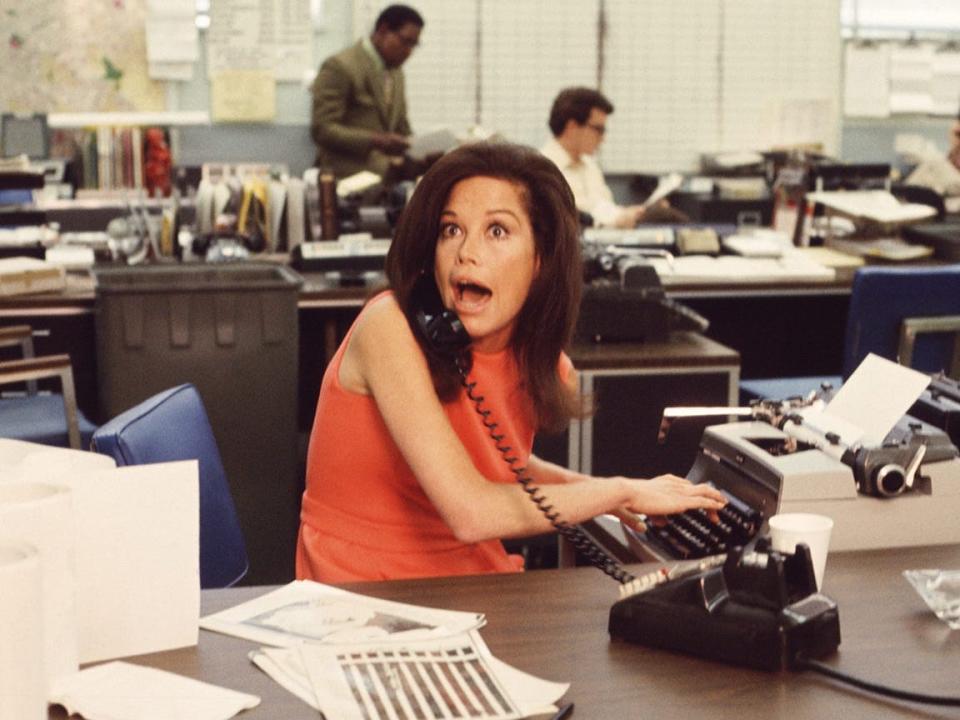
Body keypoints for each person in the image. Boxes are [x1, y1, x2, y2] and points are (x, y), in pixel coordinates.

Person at [295, 141, 726, 583]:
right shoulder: (389, 328)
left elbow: (506, 465)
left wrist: (614, 496)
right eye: (451, 230)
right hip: (361, 590)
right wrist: (619, 490)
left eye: (497, 231)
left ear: (540, 261)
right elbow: (471, 511)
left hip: (466, 579)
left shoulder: (539, 363)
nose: (466, 252)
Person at [541, 87, 684, 228]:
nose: (603, 139)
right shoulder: (544, 168)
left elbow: (606, 208)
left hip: (604, 241)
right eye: (599, 130)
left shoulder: (589, 165)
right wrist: (621, 218)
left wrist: (641, 213)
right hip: (576, 244)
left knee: (670, 219)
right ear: (572, 127)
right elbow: (575, 218)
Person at [310, 4, 423, 180]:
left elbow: (402, 127)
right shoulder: (340, 66)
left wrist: (420, 149)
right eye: (405, 41)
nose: (409, 52)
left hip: (386, 178)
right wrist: (377, 140)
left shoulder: (396, 72)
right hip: (345, 179)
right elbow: (323, 130)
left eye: (414, 45)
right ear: (384, 30)